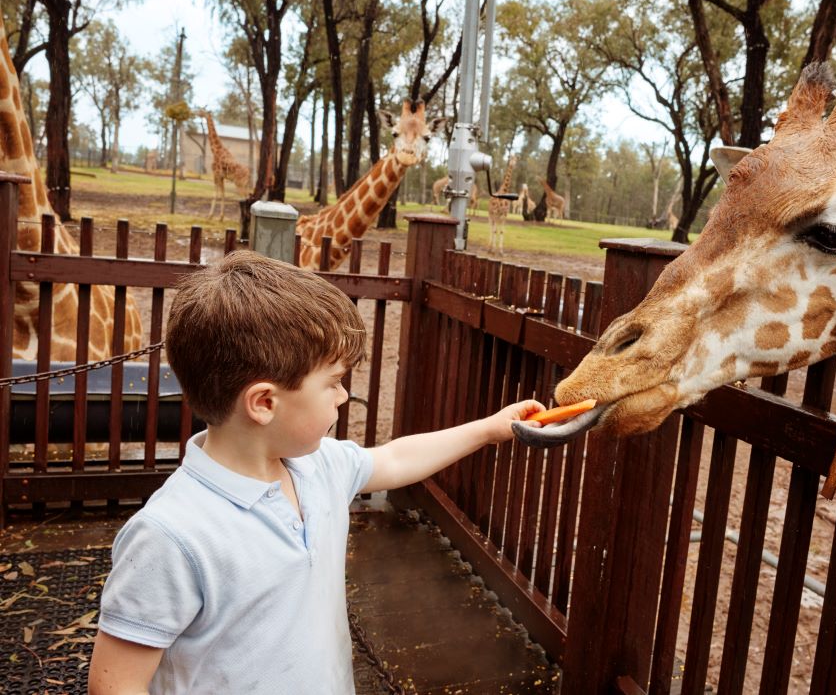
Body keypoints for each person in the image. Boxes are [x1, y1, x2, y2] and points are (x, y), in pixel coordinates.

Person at [88, 250, 543, 694]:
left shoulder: (316, 465)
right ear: (264, 403)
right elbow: (117, 681)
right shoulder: (171, 535)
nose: (343, 397)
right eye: (333, 383)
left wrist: (489, 429)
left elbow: (394, 459)